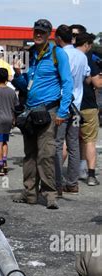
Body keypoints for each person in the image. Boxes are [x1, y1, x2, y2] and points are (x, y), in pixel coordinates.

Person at [12, 19, 73, 209]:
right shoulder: (29, 54)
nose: (38, 34)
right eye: (36, 31)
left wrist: (62, 112)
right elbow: (24, 87)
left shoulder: (57, 54)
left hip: (49, 111)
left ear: (49, 35)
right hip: (30, 112)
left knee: (46, 154)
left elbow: (67, 83)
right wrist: (18, 74)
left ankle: (50, 194)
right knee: (29, 154)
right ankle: (30, 192)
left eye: (42, 32)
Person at [54, 25, 91, 195]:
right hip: (77, 106)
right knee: (74, 145)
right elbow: (86, 77)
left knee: (57, 143)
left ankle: (55, 181)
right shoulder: (82, 56)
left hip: (62, 104)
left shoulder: (60, 54)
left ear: (58, 38)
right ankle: (72, 183)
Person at [78, 32, 101, 186]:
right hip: (87, 105)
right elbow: (97, 84)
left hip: (69, 106)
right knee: (90, 141)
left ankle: (58, 176)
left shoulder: (64, 56)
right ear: (86, 44)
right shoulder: (86, 59)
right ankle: (91, 175)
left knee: (69, 140)